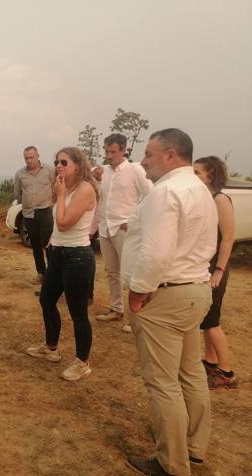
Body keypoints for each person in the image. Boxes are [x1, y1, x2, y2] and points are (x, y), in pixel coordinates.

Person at [122, 129, 217, 476]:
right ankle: (193, 446)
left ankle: (171, 463)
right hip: (195, 291)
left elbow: (156, 253)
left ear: (170, 155)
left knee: (163, 382)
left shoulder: (166, 192)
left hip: (165, 294)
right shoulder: (200, 190)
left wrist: (137, 292)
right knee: (190, 372)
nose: (143, 160)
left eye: (149, 153)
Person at [26, 147, 98, 382]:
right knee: (46, 300)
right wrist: (51, 242)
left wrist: (59, 195)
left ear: (78, 164)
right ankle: (51, 348)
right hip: (58, 254)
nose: (59, 165)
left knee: (78, 313)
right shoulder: (65, 187)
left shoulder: (85, 189)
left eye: (64, 162)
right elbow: (58, 226)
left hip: (77, 257)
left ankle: (82, 362)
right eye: (57, 161)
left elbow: (65, 222)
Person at [95, 134, 152, 333]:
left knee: (130, 273)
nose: (109, 155)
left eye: (113, 152)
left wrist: (135, 220)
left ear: (123, 150)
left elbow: (150, 195)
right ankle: (116, 308)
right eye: (107, 151)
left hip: (124, 228)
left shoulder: (135, 170)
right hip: (105, 227)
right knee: (112, 272)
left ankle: (134, 316)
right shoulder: (104, 172)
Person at [193, 156, 237, 390]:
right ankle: (210, 362)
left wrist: (219, 270)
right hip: (203, 265)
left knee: (212, 321)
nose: (193, 176)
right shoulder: (204, 198)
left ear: (211, 175)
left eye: (197, 172)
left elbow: (228, 237)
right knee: (205, 318)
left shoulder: (220, 199)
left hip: (215, 267)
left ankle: (226, 372)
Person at [13, 146, 54, 287]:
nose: (29, 160)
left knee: (49, 245)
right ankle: (41, 273)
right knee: (35, 246)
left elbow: (57, 188)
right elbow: (18, 194)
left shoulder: (49, 170)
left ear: (38, 156)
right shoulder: (20, 174)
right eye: (26, 158)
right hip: (29, 215)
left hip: (45, 212)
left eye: (31, 157)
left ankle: (52, 275)